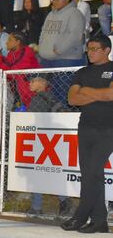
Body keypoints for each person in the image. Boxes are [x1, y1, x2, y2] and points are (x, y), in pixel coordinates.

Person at [61, 35, 113, 233]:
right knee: (91, 174)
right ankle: (100, 220)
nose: (90, 52)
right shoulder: (82, 72)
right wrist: (100, 93)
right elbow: (73, 98)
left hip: (109, 128)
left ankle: (80, 216)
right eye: (88, 49)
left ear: (107, 50)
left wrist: (87, 91)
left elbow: (111, 95)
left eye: (95, 49)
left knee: (92, 172)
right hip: (86, 127)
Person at [25, 75, 71, 217]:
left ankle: (39, 206)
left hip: (43, 140)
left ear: (42, 83)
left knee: (40, 172)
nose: (29, 84)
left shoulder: (40, 98)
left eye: (33, 81)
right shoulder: (48, 97)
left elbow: (33, 118)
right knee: (44, 172)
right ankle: (43, 205)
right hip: (48, 140)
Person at [38, 0, 86, 68]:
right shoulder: (50, 14)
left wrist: (60, 49)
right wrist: (41, 47)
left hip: (67, 60)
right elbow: (43, 32)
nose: (55, 1)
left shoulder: (75, 13)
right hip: (46, 60)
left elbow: (75, 35)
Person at [0, 31, 40, 108]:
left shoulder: (27, 51)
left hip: (32, 93)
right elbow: (3, 70)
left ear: (18, 42)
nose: (6, 42)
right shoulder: (11, 54)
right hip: (19, 92)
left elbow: (12, 72)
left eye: (10, 40)